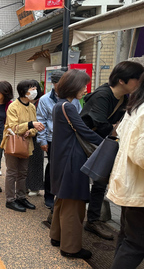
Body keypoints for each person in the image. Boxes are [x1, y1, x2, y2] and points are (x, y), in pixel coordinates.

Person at [80, 61, 144, 240]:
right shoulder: (103, 95)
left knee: (100, 181)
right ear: (122, 80)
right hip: (84, 143)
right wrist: (116, 133)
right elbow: (100, 124)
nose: (140, 83)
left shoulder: (125, 98)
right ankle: (66, 216)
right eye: (137, 79)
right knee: (81, 180)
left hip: (102, 144)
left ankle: (93, 220)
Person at [49, 69, 103, 260]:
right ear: (74, 86)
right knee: (74, 203)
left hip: (61, 158)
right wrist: (107, 144)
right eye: (83, 85)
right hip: (72, 159)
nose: (85, 88)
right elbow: (84, 132)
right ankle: (70, 247)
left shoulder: (59, 105)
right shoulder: (69, 107)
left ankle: (56, 237)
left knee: (62, 200)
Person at [107, 73, 144, 269]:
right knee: (136, 243)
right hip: (138, 189)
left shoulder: (134, 107)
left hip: (128, 184)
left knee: (128, 236)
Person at [36, 71, 81, 211]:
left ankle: (62, 196)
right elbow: (41, 120)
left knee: (67, 168)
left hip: (69, 139)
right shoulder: (44, 100)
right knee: (52, 168)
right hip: (52, 139)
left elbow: (79, 117)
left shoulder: (74, 99)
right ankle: (49, 196)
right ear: (54, 84)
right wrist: (42, 140)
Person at [0, 80, 45, 212]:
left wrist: (30, 130)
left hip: (26, 144)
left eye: (35, 88)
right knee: (12, 172)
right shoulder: (13, 106)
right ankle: (10, 199)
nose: (34, 91)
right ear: (23, 91)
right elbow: (13, 127)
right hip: (12, 144)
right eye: (32, 88)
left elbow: (35, 127)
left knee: (23, 173)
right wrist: (29, 126)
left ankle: (21, 197)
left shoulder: (31, 107)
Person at [26, 80, 45, 197]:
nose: (32, 90)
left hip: (38, 135)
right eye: (29, 88)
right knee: (24, 162)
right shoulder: (23, 102)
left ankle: (35, 187)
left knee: (36, 162)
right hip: (25, 134)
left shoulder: (40, 102)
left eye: (34, 88)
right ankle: (25, 185)